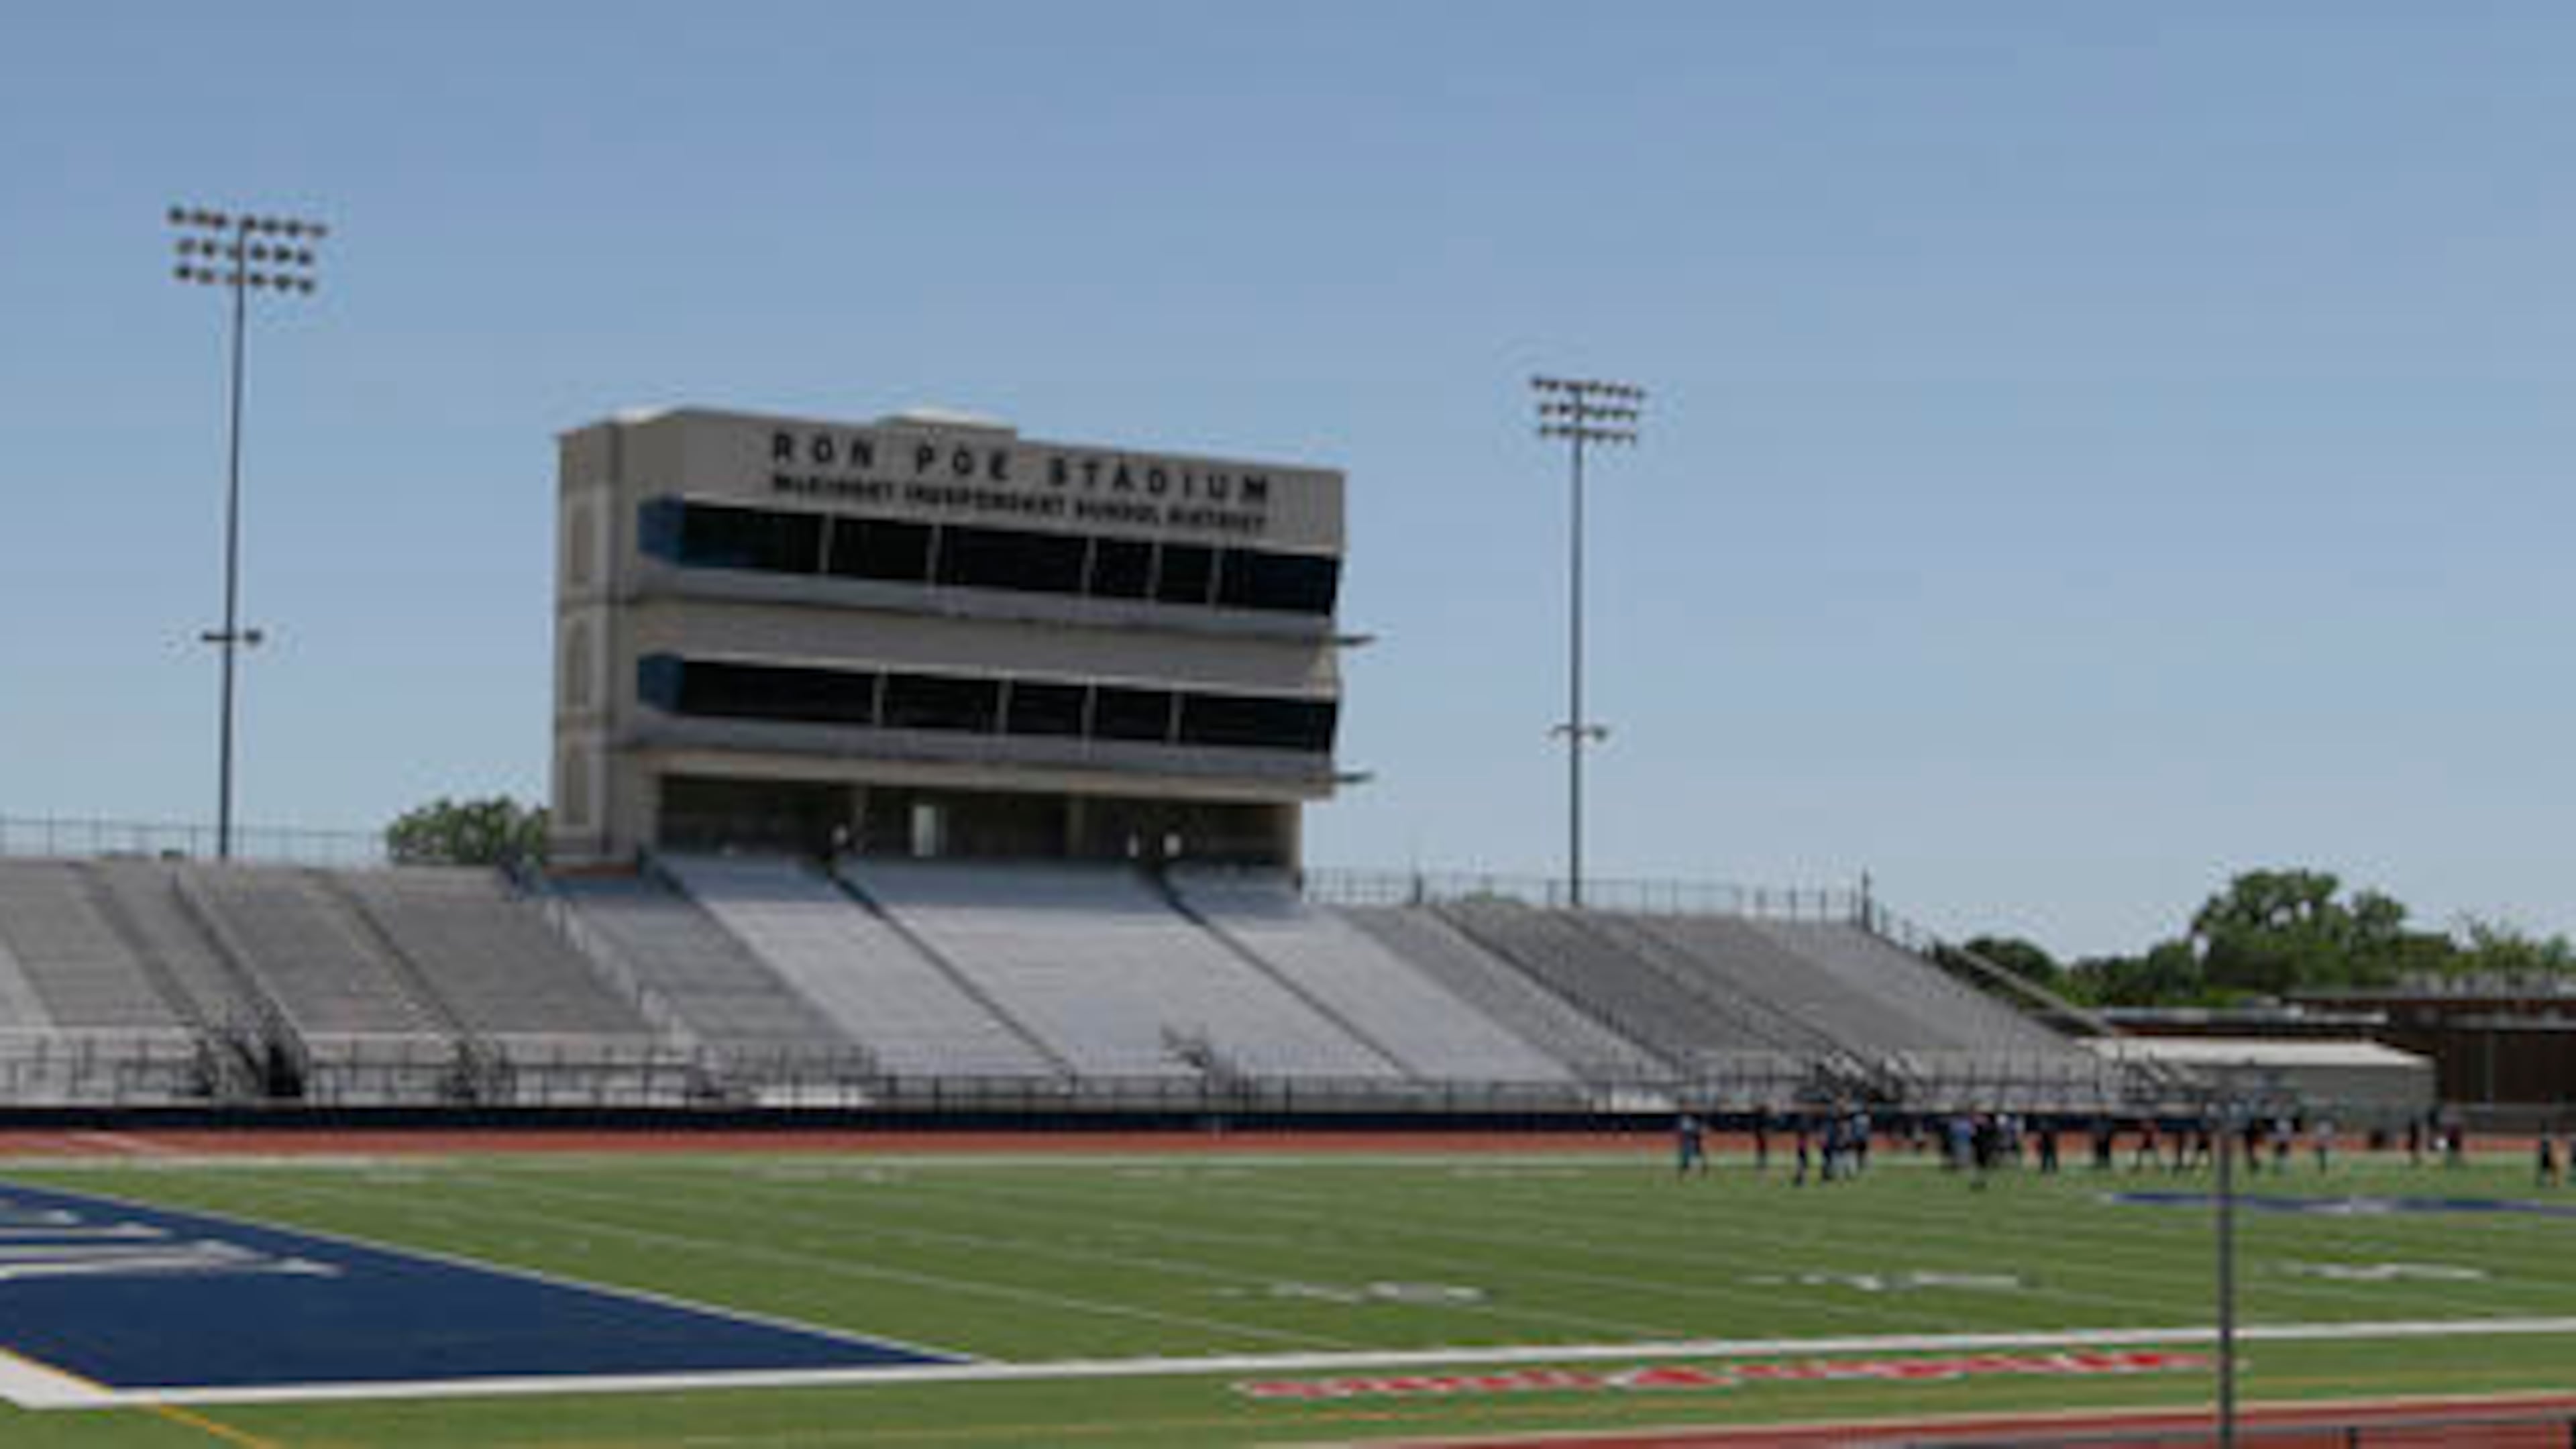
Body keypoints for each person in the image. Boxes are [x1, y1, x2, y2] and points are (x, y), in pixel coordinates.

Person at [1674, 1112, 1707, 1177]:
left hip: (1694, 1142)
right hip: (1689, 1142)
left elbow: (1699, 1133)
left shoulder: (1694, 1123)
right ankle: (1686, 1171)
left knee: (1696, 1156)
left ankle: (1700, 1170)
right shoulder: (1687, 1123)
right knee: (1687, 1157)